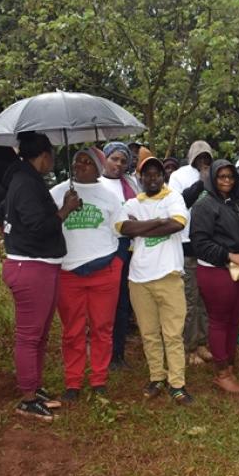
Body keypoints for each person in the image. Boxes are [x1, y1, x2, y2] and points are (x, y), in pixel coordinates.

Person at [1, 132, 82, 421]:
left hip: (39, 264)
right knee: (29, 335)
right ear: (44, 155)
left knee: (39, 334)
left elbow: (6, 216)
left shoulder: (26, 180)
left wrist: (63, 210)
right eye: (53, 156)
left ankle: (33, 387)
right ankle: (27, 398)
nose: (53, 162)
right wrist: (65, 210)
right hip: (30, 267)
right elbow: (38, 226)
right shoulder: (24, 183)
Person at [49, 148, 124, 399]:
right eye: (76, 161)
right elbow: (45, 227)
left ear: (97, 166)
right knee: (73, 330)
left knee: (103, 328)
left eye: (86, 162)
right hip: (68, 272)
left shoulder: (110, 195)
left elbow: (121, 231)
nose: (79, 165)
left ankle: (99, 378)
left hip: (104, 271)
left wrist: (116, 262)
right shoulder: (57, 193)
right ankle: (73, 381)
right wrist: (66, 208)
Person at [119, 156, 193, 405]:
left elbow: (176, 224)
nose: (152, 178)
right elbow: (123, 227)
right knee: (149, 334)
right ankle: (156, 377)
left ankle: (177, 384)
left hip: (169, 276)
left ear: (163, 177)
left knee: (173, 334)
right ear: (139, 177)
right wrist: (158, 222)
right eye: (147, 174)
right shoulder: (131, 202)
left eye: (157, 174)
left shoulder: (173, 197)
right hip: (138, 278)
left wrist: (143, 226)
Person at [190, 160, 239, 393]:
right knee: (219, 320)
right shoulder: (204, 205)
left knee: (236, 318)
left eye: (230, 177)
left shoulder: (238, 204)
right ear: (212, 179)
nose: (227, 181)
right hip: (217, 271)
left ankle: (229, 362)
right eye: (221, 177)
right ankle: (221, 373)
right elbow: (200, 243)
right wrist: (229, 256)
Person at [168, 141, 214, 366]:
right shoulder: (179, 175)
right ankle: (188, 347)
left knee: (205, 299)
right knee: (189, 298)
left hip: (209, 245)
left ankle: (202, 342)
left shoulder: (216, 174)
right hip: (186, 244)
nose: (203, 161)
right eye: (199, 157)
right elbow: (180, 203)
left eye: (207, 157)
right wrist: (201, 182)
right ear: (191, 156)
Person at [100, 142, 142, 370]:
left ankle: (117, 353)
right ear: (105, 159)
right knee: (104, 302)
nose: (118, 164)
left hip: (126, 246)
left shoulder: (131, 184)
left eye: (123, 161)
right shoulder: (95, 184)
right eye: (114, 159)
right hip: (103, 247)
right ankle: (101, 350)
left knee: (122, 303)